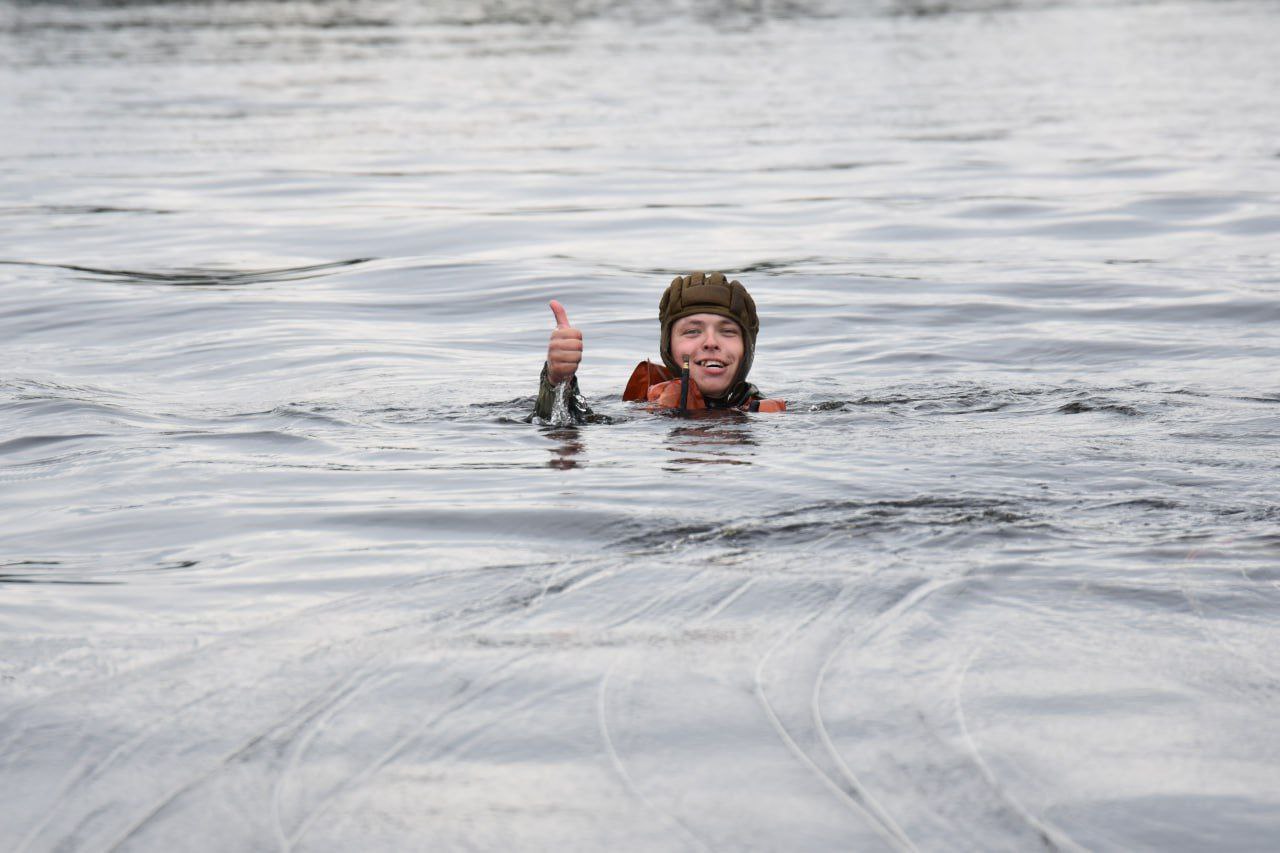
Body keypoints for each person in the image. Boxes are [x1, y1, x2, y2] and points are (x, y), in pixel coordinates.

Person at [532, 271, 785, 422]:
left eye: (728, 332)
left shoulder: (768, 417)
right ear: (668, 347)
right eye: (692, 331)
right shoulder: (641, 414)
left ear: (747, 350)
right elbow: (562, 430)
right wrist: (558, 382)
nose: (710, 342)